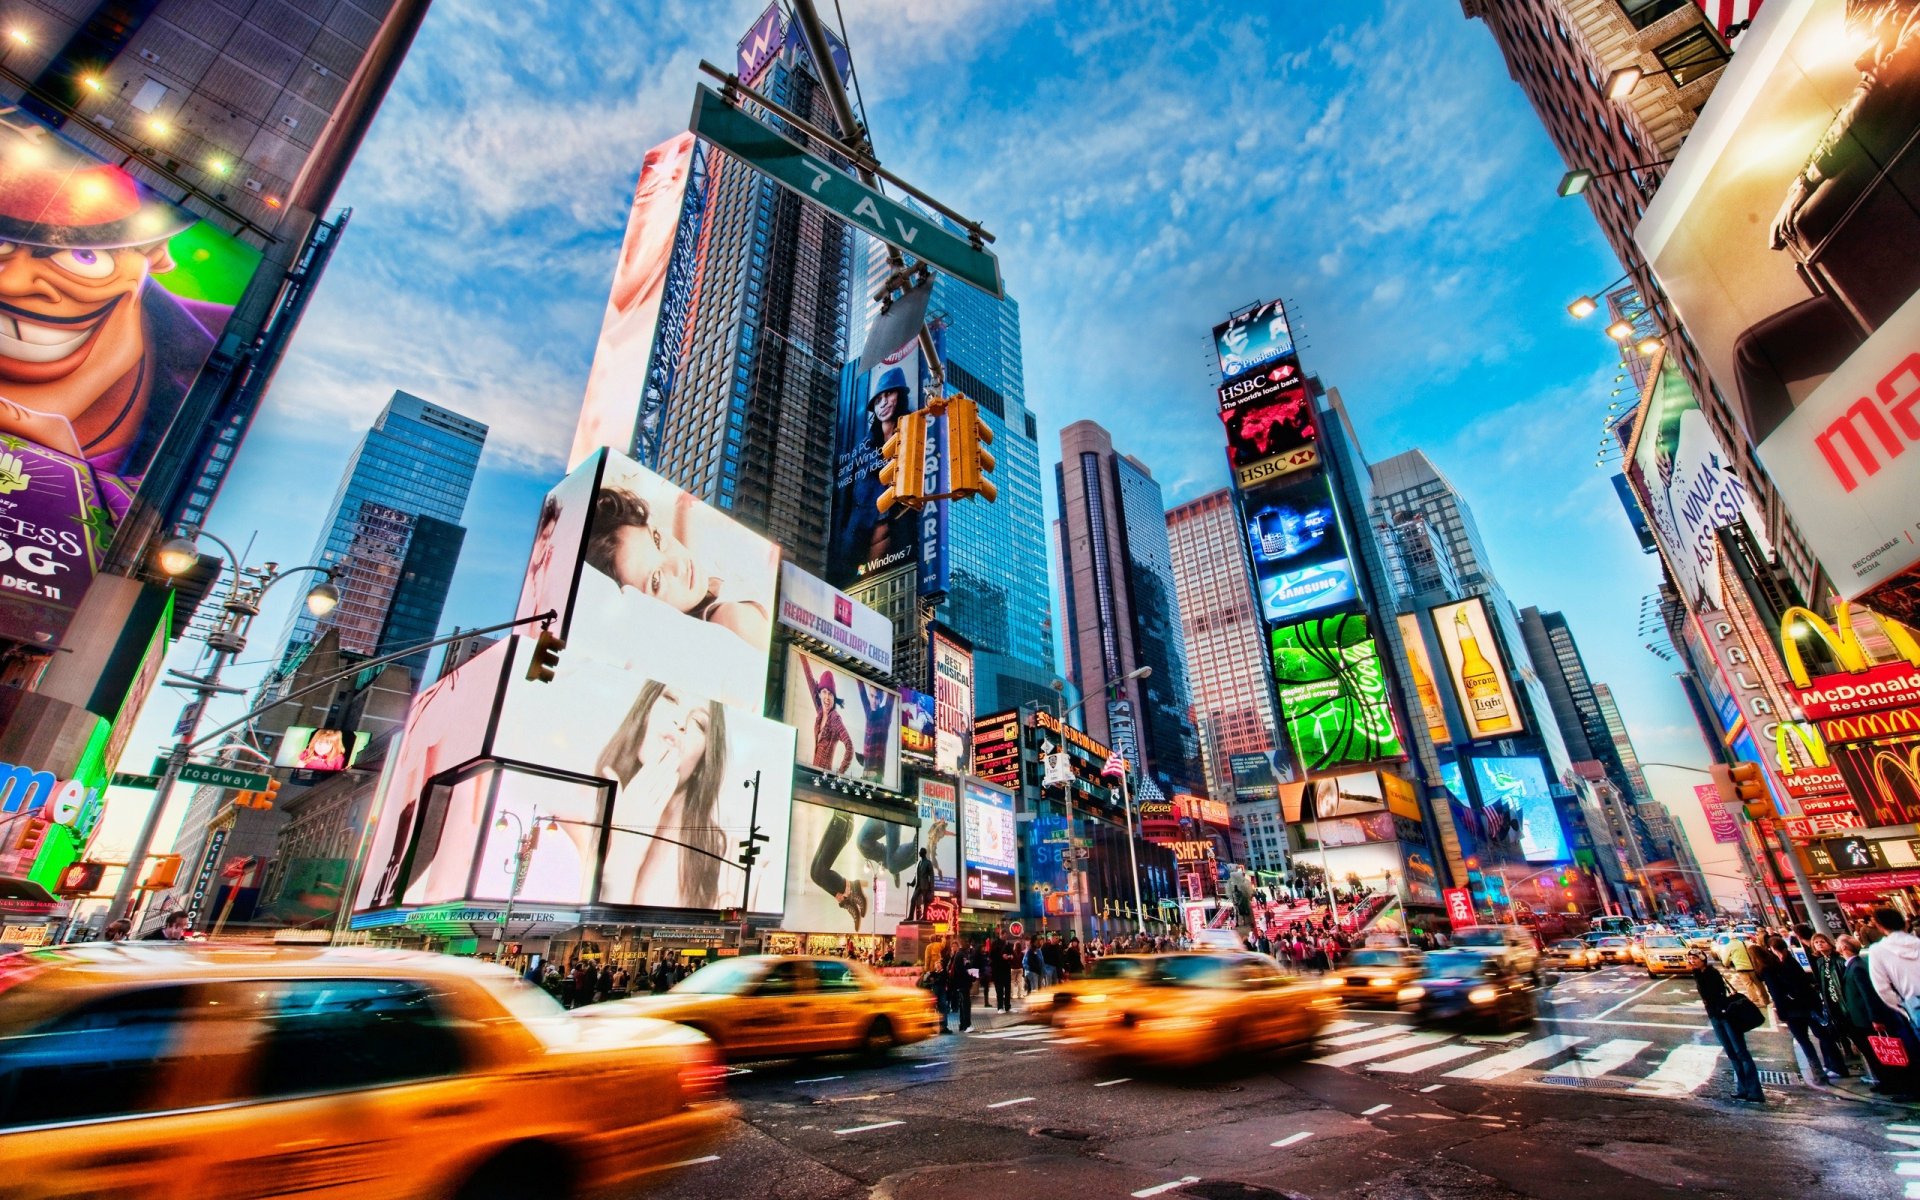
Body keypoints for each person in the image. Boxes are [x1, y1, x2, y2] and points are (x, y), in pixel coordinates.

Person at [597, 682, 729, 909]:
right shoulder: (583, 806)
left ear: (704, 759)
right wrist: (625, 849)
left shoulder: (712, 849)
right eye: (671, 699)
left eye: (698, 722)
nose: (680, 722)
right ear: (645, 710)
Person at [583, 485, 768, 643]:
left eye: (657, 540)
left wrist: (682, 510)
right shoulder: (731, 619)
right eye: (656, 581)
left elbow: (684, 553)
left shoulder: (691, 591)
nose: (679, 564)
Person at [1758, 935, 1848, 1081]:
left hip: (1793, 1011)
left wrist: (1781, 1013)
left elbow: (1776, 994)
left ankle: (1819, 1072)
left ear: (1772, 949)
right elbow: (1804, 983)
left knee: (1805, 1041)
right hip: (1809, 1006)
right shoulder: (1791, 962)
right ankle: (1837, 1067)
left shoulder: (1770, 969)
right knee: (1824, 1036)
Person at [1690, 949, 1765, 1103]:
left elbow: (1716, 994)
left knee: (1741, 1052)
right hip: (1715, 1017)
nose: (1692, 961)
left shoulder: (1712, 973)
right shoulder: (1698, 974)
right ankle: (1742, 1089)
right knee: (1731, 1052)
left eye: (1695, 958)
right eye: (1690, 959)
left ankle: (1754, 1091)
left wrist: (1718, 1008)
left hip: (1727, 1016)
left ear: (1703, 959)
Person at [801, 657, 855, 774]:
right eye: (824, 692)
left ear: (834, 698)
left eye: (830, 693)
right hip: (813, 772)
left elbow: (849, 746)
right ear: (819, 694)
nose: (827, 697)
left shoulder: (835, 719)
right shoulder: (820, 711)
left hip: (824, 777)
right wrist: (802, 654)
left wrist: (839, 774)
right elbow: (809, 679)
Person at [1871, 906, 1920, 1028]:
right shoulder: (1917, 943)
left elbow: (1882, 988)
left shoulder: (1877, 950)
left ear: (1880, 926)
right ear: (1905, 923)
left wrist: (1904, 1008)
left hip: (1914, 1002)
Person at [944, 938, 976, 1033]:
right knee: (966, 1004)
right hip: (963, 983)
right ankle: (967, 1025)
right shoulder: (961, 955)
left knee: (962, 1004)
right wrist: (971, 976)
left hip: (958, 984)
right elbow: (962, 970)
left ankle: (962, 1025)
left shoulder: (955, 956)